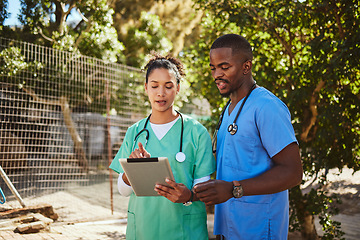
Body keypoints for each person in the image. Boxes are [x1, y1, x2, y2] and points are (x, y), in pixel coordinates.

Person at [193, 34, 303, 240]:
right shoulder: (228, 109)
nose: (217, 74)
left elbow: (293, 172)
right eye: (213, 68)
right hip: (229, 226)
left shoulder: (267, 107)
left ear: (246, 67)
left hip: (259, 227)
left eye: (224, 67)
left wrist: (234, 190)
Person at [109, 52, 215, 240]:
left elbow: (204, 188)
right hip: (142, 229)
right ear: (146, 88)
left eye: (168, 86)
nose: (161, 93)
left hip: (184, 230)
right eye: (154, 86)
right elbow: (123, 191)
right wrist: (130, 172)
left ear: (178, 88)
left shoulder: (196, 132)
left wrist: (189, 195)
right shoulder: (135, 132)